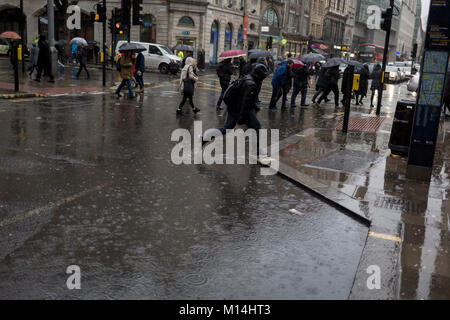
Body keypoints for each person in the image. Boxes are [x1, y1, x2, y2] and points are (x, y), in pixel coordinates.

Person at [214, 63, 269, 156]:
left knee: (227, 128)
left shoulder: (247, 78)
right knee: (257, 128)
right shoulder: (251, 84)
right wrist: (241, 118)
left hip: (233, 108)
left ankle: (204, 138)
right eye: (263, 77)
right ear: (259, 75)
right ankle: (257, 153)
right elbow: (246, 103)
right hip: (240, 110)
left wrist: (255, 107)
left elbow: (244, 97)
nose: (263, 79)